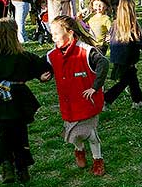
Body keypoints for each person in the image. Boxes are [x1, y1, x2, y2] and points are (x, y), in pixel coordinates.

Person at [0, 18, 51, 184]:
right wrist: (43, 75)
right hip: (19, 101)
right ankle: (22, 168)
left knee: (4, 134)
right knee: (20, 133)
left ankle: (7, 164)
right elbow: (43, 68)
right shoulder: (23, 57)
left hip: (0, 101)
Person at [47, 15, 109, 176]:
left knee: (90, 134)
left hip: (87, 102)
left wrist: (95, 87)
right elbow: (43, 66)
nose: (52, 37)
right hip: (69, 105)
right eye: (51, 33)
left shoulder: (86, 51)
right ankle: (78, 150)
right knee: (75, 135)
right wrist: (43, 75)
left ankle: (98, 160)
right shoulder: (52, 54)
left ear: (70, 33)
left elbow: (103, 63)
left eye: (56, 33)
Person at [105, 0, 142, 110]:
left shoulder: (115, 25)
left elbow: (110, 39)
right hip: (128, 58)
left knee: (132, 78)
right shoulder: (133, 26)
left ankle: (138, 100)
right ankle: (106, 98)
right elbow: (139, 42)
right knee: (124, 81)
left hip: (117, 57)